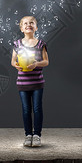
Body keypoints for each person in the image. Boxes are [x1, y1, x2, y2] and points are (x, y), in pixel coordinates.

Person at [11, 16, 49, 147]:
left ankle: (37, 135)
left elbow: (46, 61)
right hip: (22, 83)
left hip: (37, 83)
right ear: (21, 28)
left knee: (37, 108)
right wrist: (16, 65)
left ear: (36, 27)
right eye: (25, 23)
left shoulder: (41, 44)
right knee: (26, 109)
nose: (29, 25)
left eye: (32, 23)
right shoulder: (17, 44)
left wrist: (37, 64)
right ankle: (28, 135)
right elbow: (13, 61)